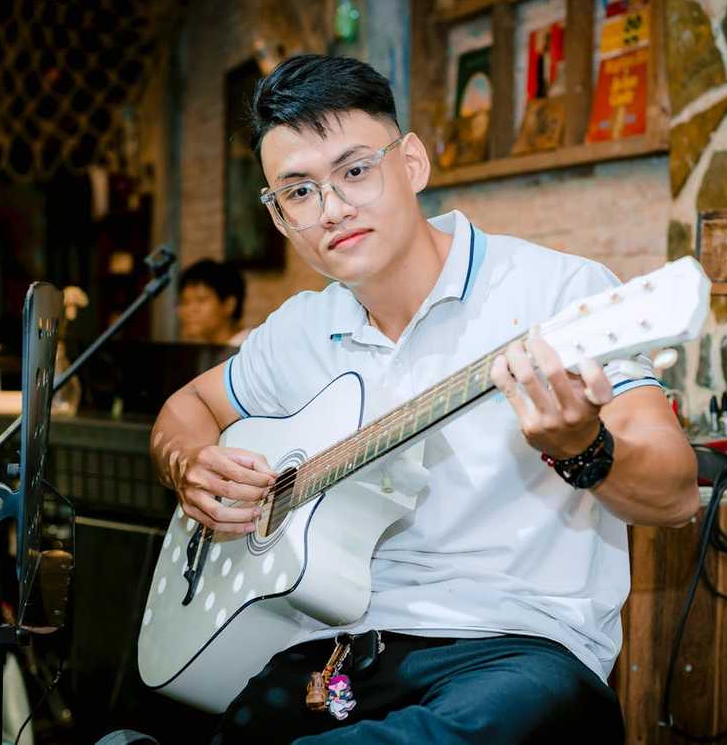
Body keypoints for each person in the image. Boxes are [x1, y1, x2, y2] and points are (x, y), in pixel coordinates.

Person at [149, 54, 698, 744]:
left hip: (513, 655)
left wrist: (585, 450)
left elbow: (677, 493)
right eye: (299, 192)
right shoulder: (299, 330)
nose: (334, 210)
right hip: (332, 656)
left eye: (354, 171)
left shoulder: (558, 295)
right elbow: (185, 410)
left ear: (411, 164)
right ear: (281, 217)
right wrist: (189, 463)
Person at [177, 259, 250, 346]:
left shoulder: (251, 349)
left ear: (229, 304)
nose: (189, 310)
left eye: (201, 300)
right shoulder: (208, 353)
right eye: (184, 301)